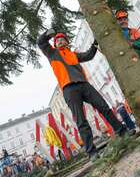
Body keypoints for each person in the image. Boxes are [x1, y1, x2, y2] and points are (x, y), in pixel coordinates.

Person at [38, 29, 127, 161]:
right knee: (81, 121)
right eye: (57, 40)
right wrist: (47, 34)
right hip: (69, 89)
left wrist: (95, 44)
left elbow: (89, 55)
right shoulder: (52, 53)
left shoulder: (74, 55)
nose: (60, 40)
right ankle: (92, 153)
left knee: (104, 107)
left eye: (63, 39)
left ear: (67, 43)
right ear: (55, 44)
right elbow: (41, 43)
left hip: (84, 85)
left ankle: (122, 132)